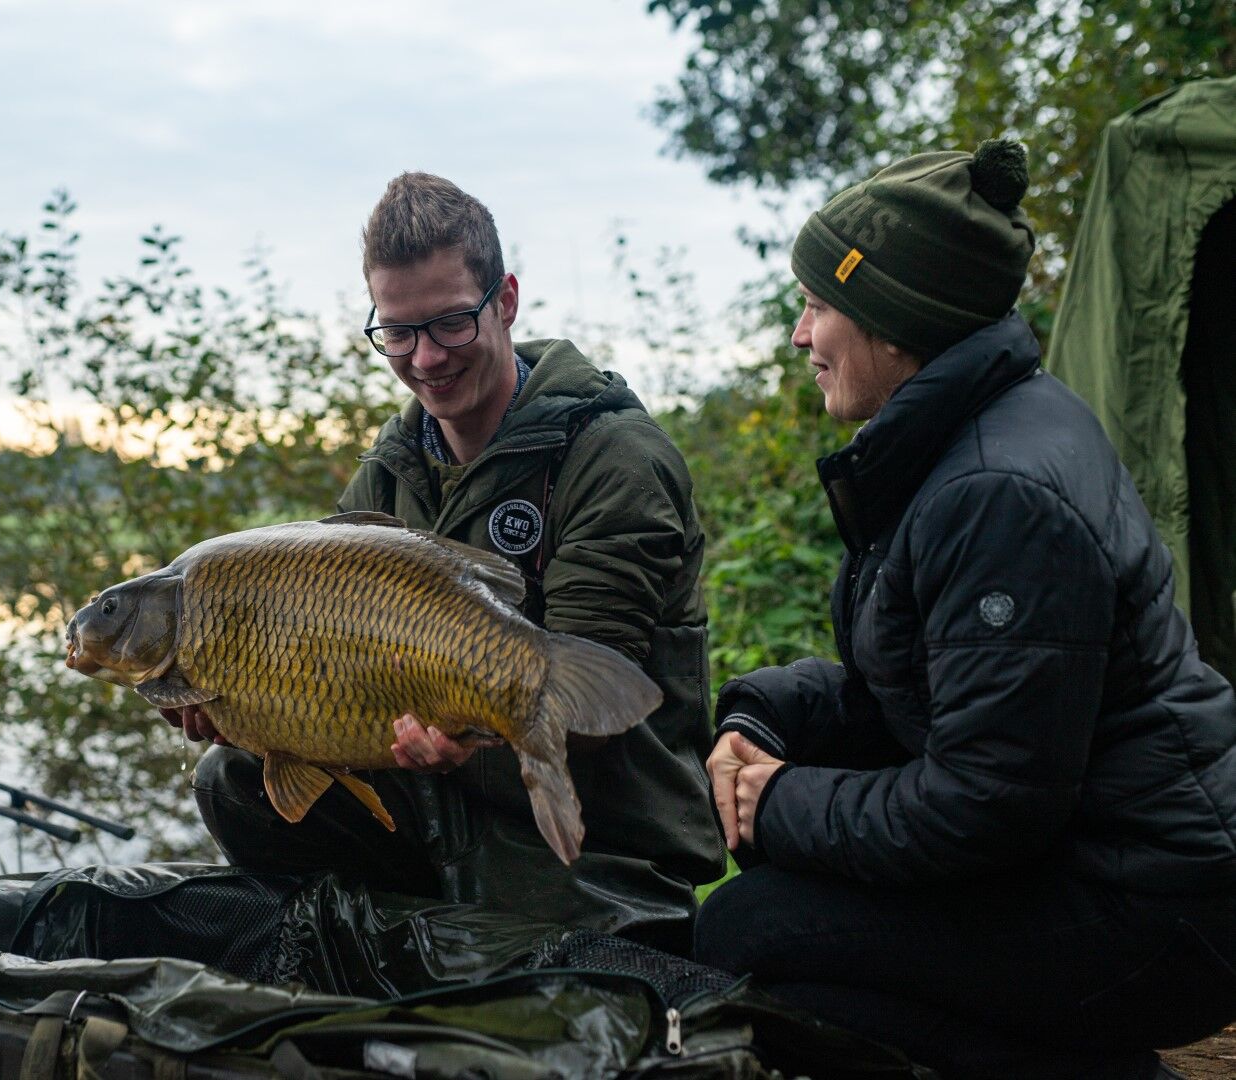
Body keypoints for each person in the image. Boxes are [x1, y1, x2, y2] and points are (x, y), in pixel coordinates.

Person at [693, 139, 1236, 1079]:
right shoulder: (966, 437)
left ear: (896, 320)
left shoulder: (994, 490)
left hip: (1160, 905)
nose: (799, 335)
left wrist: (776, 800)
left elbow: (986, 805)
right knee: (770, 905)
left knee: (752, 931)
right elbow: (923, 685)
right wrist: (764, 717)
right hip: (1105, 860)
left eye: (818, 305)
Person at [178, 171, 724, 954]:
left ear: (506, 301)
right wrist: (247, 706)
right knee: (232, 780)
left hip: (600, 846)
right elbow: (326, 673)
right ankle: (376, 955)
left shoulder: (615, 460)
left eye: (450, 324)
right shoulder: (391, 470)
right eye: (398, 333)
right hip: (438, 812)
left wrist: (466, 735)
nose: (426, 358)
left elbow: (584, 719)